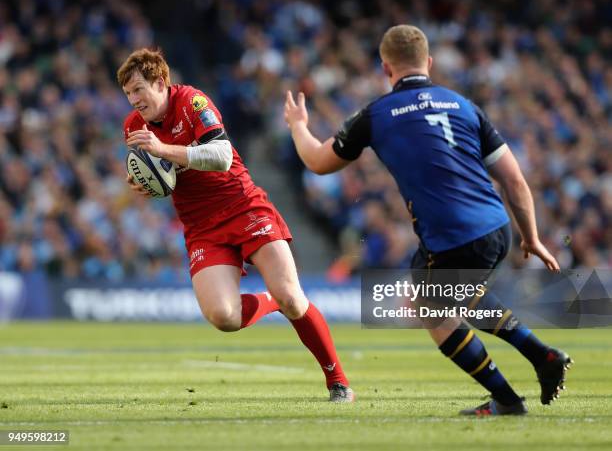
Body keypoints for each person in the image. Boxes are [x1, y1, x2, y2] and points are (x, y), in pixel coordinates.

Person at [284, 25, 572, 415]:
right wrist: (532, 237)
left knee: (430, 308)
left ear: (386, 67)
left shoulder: (376, 114)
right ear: (429, 63)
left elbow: (319, 162)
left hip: (452, 234)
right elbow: (515, 180)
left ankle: (509, 399)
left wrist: (299, 125)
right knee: (462, 296)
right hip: (496, 228)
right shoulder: (464, 105)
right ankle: (543, 358)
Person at [117, 48, 353, 402]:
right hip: (201, 226)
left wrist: (165, 150)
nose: (134, 100)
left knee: (293, 297)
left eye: (139, 89)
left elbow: (221, 156)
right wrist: (143, 182)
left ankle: (338, 382)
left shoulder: (193, 102)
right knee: (223, 317)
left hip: (242, 206)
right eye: (128, 94)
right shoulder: (133, 127)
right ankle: (269, 300)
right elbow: (161, 178)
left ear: (161, 82)